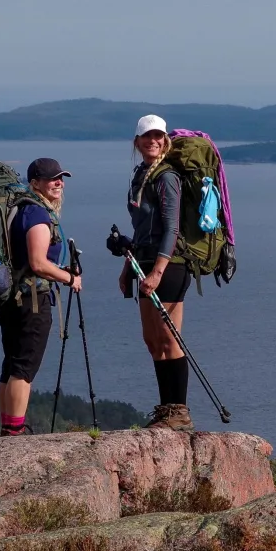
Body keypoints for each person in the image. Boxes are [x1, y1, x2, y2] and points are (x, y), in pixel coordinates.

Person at [0, 157, 81, 436]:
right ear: (35, 183)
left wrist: (60, 271)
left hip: (11, 298)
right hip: (31, 299)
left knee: (12, 364)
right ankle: (14, 432)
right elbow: (38, 263)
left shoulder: (19, 209)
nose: (59, 183)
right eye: (52, 179)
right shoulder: (37, 214)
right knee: (24, 368)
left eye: (61, 178)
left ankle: (8, 427)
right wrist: (70, 278)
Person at [122, 115, 193, 430]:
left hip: (169, 266)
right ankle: (167, 410)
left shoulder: (167, 177)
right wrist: (128, 267)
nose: (152, 141)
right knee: (152, 340)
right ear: (137, 141)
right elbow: (141, 229)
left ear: (165, 140)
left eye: (158, 136)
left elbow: (171, 228)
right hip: (145, 263)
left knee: (169, 338)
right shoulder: (141, 175)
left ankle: (179, 412)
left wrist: (158, 272)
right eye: (146, 136)